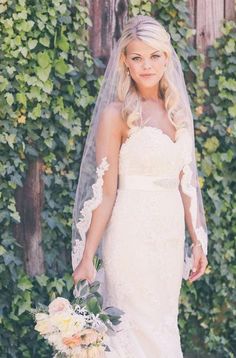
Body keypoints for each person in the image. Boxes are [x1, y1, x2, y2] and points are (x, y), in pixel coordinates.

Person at [71, 15, 208, 357]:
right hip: (129, 232)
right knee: (131, 323)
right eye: (137, 57)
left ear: (166, 57)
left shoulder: (177, 112)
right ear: (125, 62)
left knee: (162, 322)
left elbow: (185, 182)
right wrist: (88, 256)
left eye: (154, 56)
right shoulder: (116, 114)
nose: (146, 65)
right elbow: (105, 190)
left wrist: (198, 240)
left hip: (168, 234)